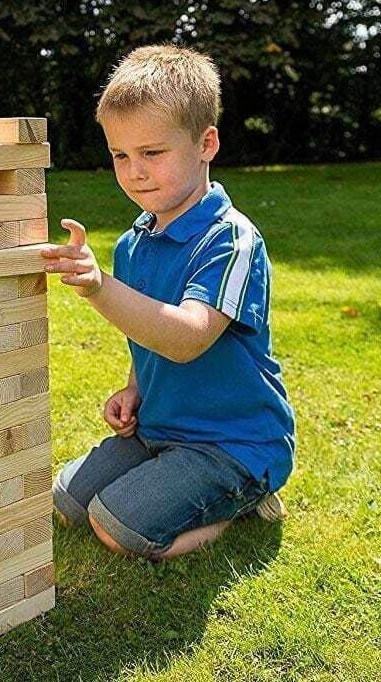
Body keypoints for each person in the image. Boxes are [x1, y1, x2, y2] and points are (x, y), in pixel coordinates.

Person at [44, 44, 294, 559]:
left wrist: (98, 286)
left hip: (230, 443)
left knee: (117, 526)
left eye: (152, 153)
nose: (134, 171)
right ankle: (172, 480)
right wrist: (134, 388)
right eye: (120, 155)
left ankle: (244, 499)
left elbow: (186, 338)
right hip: (158, 429)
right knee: (68, 501)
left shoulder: (230, 240)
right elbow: (147, 336)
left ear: (206, 144)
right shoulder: (133, 244)